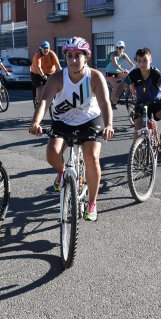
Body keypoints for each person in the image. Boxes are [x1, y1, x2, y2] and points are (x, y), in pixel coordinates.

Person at [29, 37, 114, 221]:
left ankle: (92, 203)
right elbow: (44, 101)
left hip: (90, 120)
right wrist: (36, 121)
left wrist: (108, 125)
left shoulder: (95, 77)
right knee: (52, 153)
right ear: (65, 58)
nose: (74, 60)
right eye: (70, 56)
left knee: (92, 158)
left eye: (78, 56)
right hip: (63, 121)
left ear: (86, 57)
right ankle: (62, 171)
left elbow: (105, 103)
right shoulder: (57, 77)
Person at [122, 47, 161, 154]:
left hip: (157, 102)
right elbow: (122, 85)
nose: (142, 63)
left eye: (145, 60)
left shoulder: (155, 73)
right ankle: (136, 155)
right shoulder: (134, 73)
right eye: (139, 61)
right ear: (136, 61)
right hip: (141, 103)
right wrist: (115, 95)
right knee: (137, 129)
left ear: (150, 60)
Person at [29, 41, 62, 106]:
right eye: (44, 48)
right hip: (37, 73)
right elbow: (38, 67)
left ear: (49, 48)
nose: (45, 49)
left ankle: (55, 100)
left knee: (55, 84)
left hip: (50, 72)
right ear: (41, 48)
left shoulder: (52, 54)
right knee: (40, 87)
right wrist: (43, 75)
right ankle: (39, 103)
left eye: (47, 48)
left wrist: (63, 74)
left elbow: (58, 65)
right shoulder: (38, 54)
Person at [105, 40, 135, 109]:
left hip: (117, 72)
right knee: (116, 86)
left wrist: (136, 68)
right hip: (109, 73)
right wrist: (123, 70)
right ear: (116, 48)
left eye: (122, 47)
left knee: (129, 76)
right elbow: (116, 65)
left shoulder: (124, 55)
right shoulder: (113, 55)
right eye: (119, 47)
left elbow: (130, 63)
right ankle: (112, 103)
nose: (121, 49)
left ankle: (129, 89)